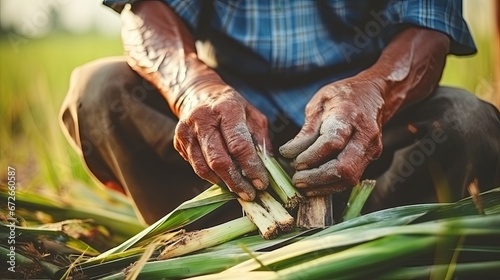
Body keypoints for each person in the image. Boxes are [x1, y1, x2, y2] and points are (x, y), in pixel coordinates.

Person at [60, 0, 500, 225]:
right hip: (234, 129)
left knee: (466, 121)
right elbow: (147, 11)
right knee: (98, 92)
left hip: (375, 126)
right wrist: (195, 89)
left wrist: (372, 94)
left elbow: (429, 29)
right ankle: (212, 239)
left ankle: (382, 227)